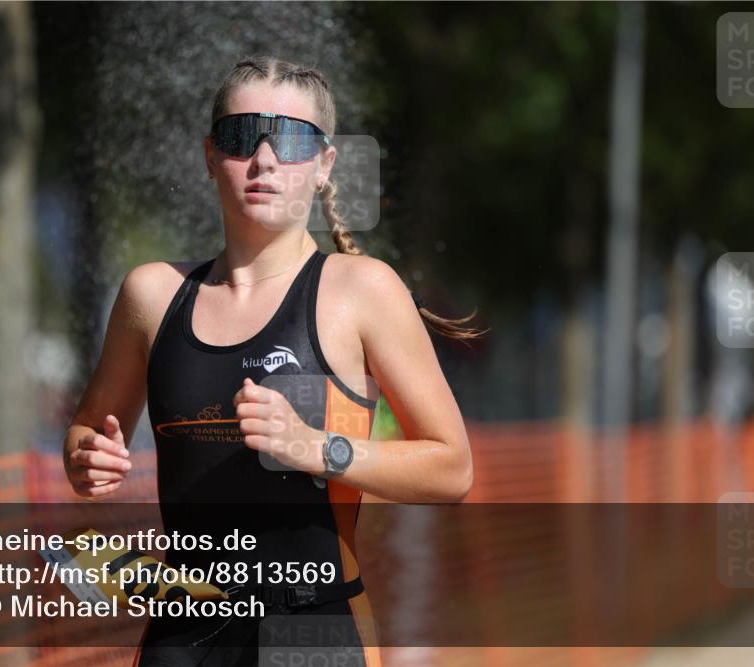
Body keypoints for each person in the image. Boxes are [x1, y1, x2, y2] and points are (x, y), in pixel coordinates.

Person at [63, 55, 477, 667]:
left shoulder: (361, 290)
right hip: (184, 633)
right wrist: (85, 460)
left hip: (312, 632)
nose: (264, 160)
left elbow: (452, 468)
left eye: (291, 139)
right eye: (240, 138)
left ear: (324, 165)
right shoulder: (151, 295)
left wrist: (317, 447)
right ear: (210, 156)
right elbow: (85, 436)